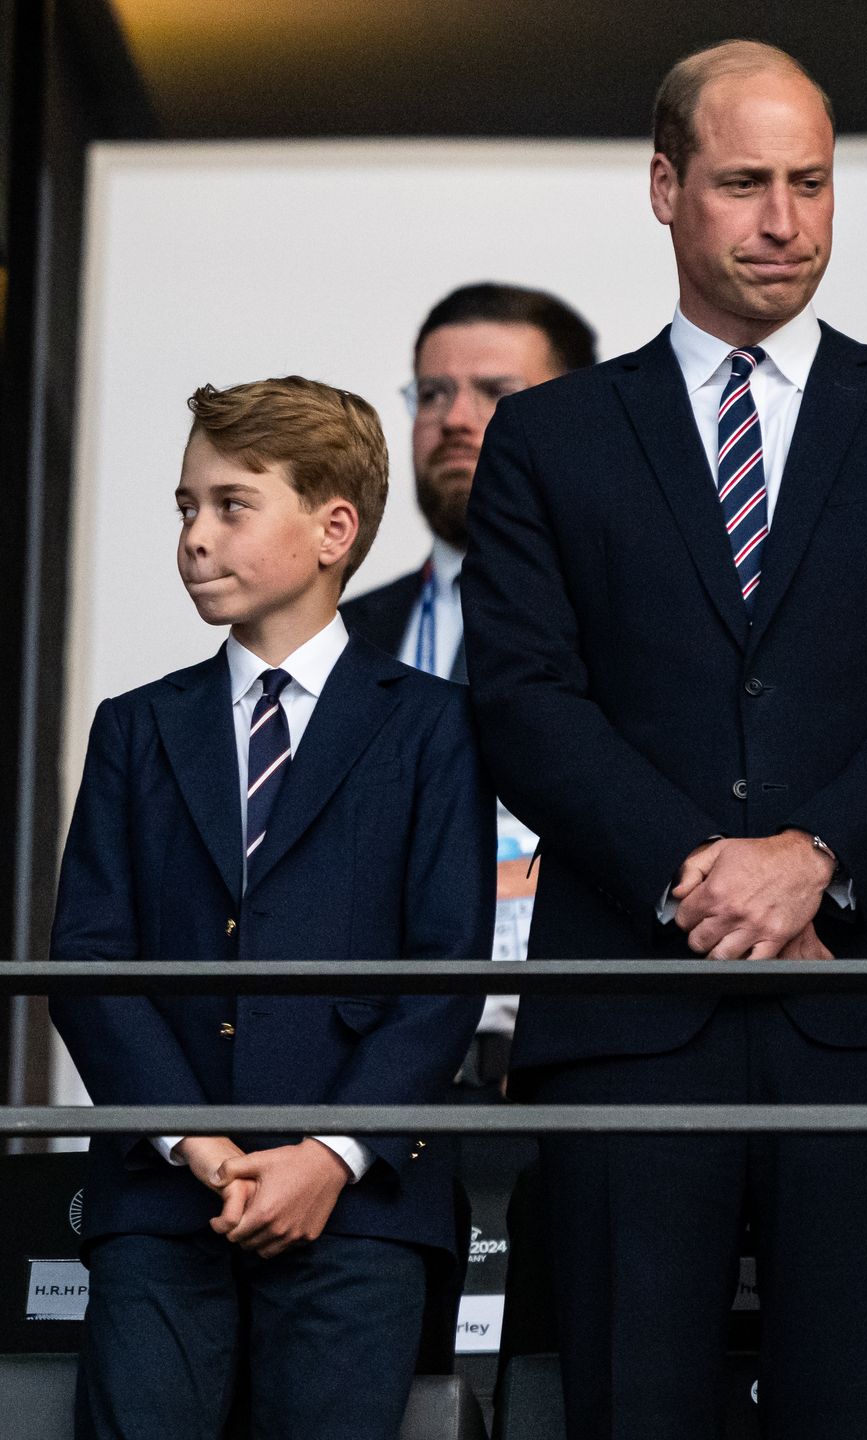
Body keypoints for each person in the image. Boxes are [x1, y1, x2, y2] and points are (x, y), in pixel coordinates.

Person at [461, 39, 867, 1440]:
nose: (784, 220)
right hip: (633, 1014)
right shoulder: (547, 437)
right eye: (743, 183)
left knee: (864, 1407)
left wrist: (817, 857)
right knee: (627, 1409)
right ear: (665, 188)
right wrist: (698, 873)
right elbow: (525, 696)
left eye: (811, 183)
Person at [50, 376, 494, 1440]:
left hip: (362, 1200)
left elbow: (447, 973)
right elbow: (89, 961)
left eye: (230, 504)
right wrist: (196, 1142)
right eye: (183, 508)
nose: (195, 537)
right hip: (166, 1197)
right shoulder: (135, 728)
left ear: (334, 527)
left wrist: (326, 1153)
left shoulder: (435, 726)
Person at [341, 282, 597, 1076]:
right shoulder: (340, 635)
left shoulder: (646, 623)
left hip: (579, 1050)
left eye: (496, 392)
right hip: (374, 1062)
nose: (455, 418)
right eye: (433, 393)